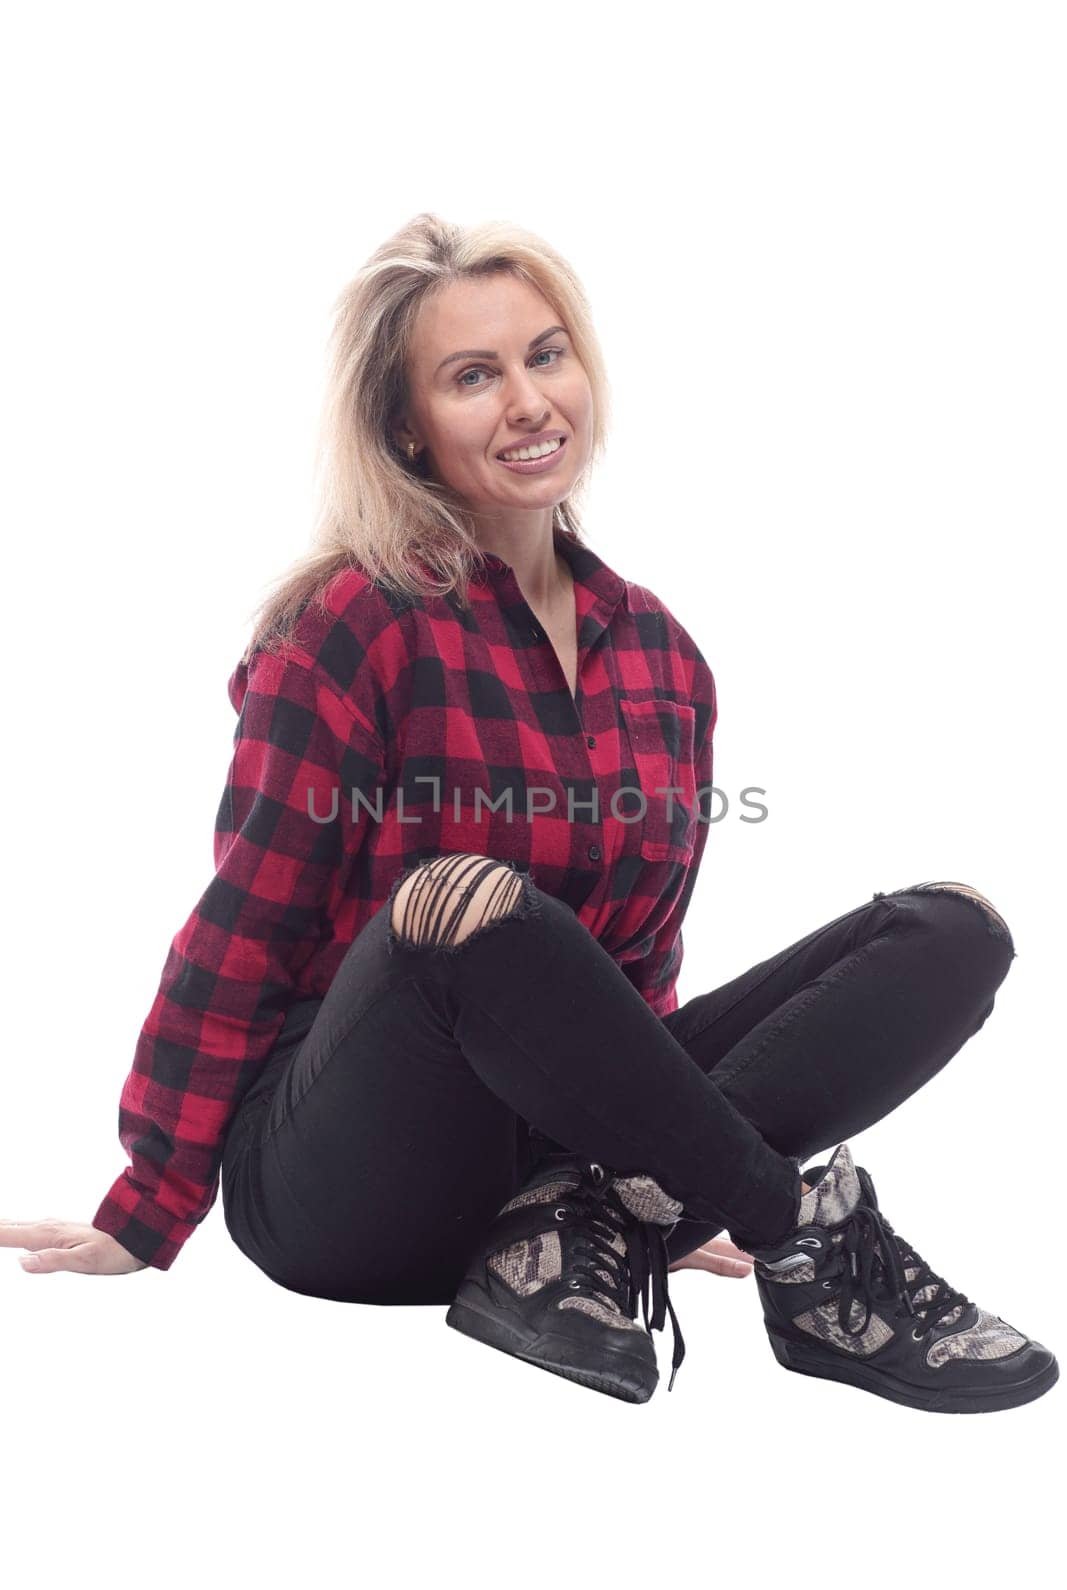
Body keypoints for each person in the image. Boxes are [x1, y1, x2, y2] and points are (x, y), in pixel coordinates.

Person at [1, 214, 1056, 1414]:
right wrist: (148, 1204)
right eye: (471, 376)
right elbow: (244, 927)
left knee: (948, 928)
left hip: (541, 1186)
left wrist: (670, 1158)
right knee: (469, 903)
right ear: (406, 426)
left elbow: (632, 969)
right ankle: (807, 1250)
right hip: (335, 1178)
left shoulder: (662, 655)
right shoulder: (354, 623)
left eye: (544, 356)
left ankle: (595, 1227)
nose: (524, 401)